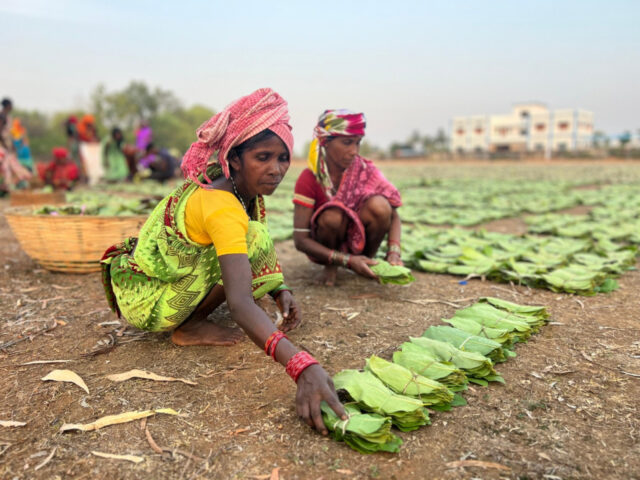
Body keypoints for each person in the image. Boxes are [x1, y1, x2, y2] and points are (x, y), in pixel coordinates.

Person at [100, 88, 346, 433]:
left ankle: (196, 313)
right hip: (147, 299)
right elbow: (240, 303)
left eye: (282, 158)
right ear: (235, 160)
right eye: (263, 157)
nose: (276, 169)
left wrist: (280, 290)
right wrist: (302, 366)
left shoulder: (235, 184)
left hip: (157, 282)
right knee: (251, 239)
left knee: (252, 236)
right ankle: (189, 326)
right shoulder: (221, 203)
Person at [293, 109, 403, 286]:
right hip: (326, 242)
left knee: (381, 206)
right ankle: (331, 265)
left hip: (361, 240)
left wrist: (394, 252)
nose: (354, 151)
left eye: (357, 143)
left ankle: (366, 260)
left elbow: (394, 215)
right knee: (332, 216)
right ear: (325, 142)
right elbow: (300, 240)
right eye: (347, 143)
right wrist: (347, 260)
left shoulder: (366, 171)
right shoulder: (310, 178)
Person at [0, 98, 31, 194]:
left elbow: (8, 133)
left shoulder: (7, 116)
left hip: (7, 144)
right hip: (3, 145)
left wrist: (11, 145)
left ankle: (8, 186)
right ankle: (6, 186)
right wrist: (5, 145)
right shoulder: (2, 116)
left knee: (8, 165)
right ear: (7, 105)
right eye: (11, 105)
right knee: (6, 165)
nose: (12, 107)